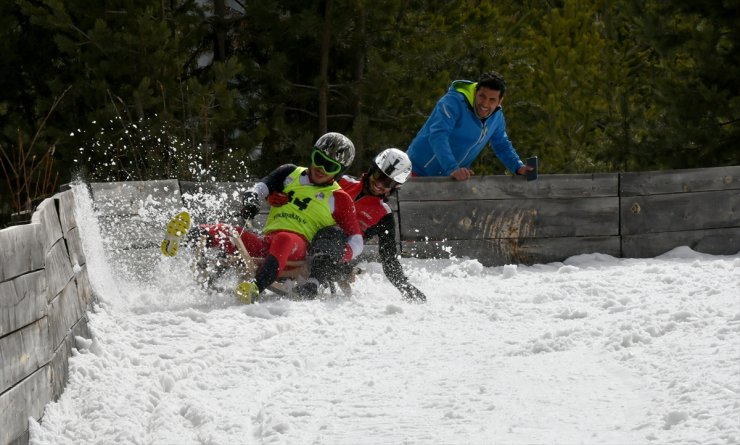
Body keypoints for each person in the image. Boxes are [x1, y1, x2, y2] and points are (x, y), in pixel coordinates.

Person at [172, 132, 364, 304]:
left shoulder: (339, 197)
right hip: (267, 243)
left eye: (329, 166)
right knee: (230, 232)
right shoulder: (290, 172)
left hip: (297, 248)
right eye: (318, 159)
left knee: (285, 239)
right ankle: (185, 238)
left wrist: (341, 254)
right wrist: (252, 199)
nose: (320, 168)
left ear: (339, 171)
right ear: (312, 155)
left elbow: (357, 239)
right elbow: (261, 186)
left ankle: (255, 287)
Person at [287, 148, 427, 302]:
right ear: (371, 170)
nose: (379, 184)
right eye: (379, 176)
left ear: (394, 187)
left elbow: (389, 259)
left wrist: (404, 286)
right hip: (307, 235)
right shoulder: (342, 182)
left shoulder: (384, 215)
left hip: (337, 258)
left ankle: (312, 285)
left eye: (387, 182)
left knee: (335, 231)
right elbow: (306, 190)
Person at [406, 71, 533, 181]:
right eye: (482, 96)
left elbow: (501, 144)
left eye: (492, 100)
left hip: (448, 181)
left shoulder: (497, 117)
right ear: (475, 91)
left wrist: (518, 167)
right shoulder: (453, 102)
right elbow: (438, 136)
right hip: (415, 172)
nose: (485, 103)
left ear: (500, 101)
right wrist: (452, 168)